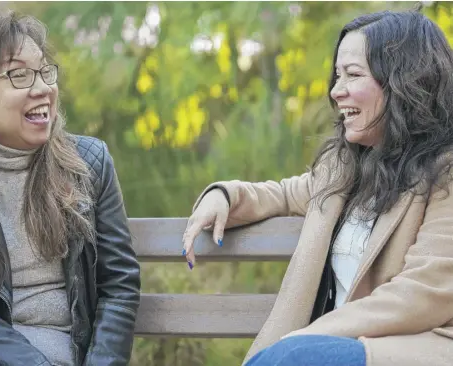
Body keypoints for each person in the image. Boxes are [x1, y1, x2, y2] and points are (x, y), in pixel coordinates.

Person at [182, 10, 453, 366]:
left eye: (353, 75)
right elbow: (280, 194)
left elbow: (424, 293)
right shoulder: (343, 170)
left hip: (408, 349)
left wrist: (309, 337)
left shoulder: (445, 172)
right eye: (337, 75)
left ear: (404, 83)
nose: (335, 91)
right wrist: (224, 195)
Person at [0, 9, 141, 366]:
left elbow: (118, 287)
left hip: (73, 358)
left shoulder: (88, 163)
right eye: (19, 75)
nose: (42, 88)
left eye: (44, 71)